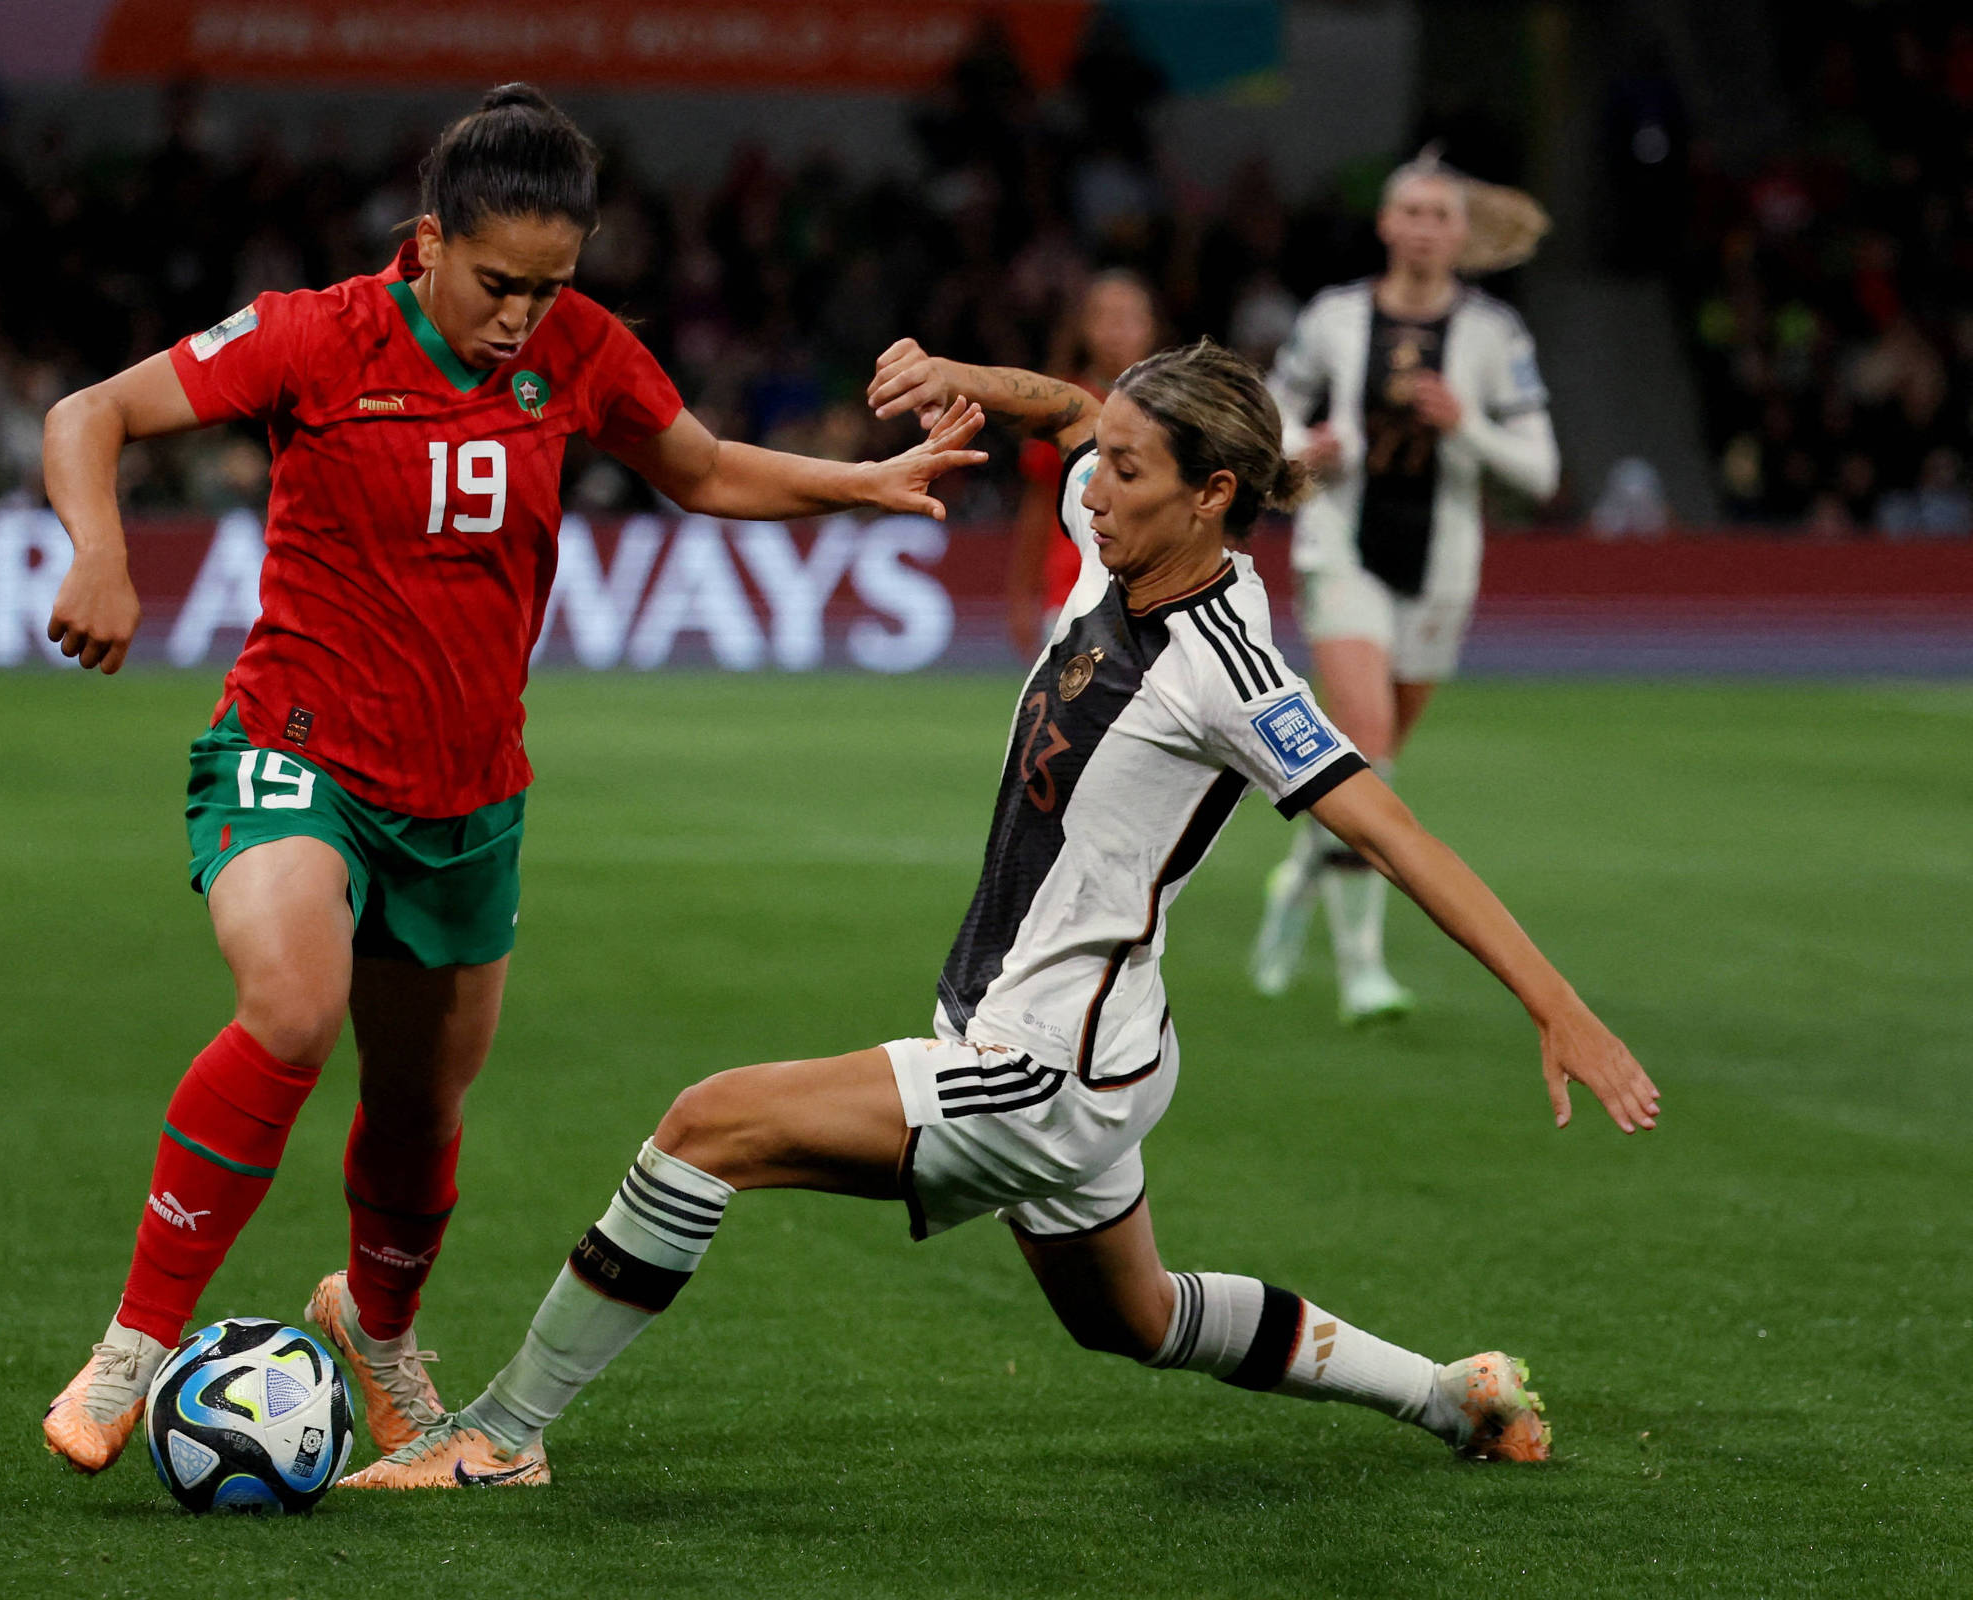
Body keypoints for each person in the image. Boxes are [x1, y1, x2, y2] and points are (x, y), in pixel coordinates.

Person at [341, 338, 1659, 1490]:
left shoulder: (1231, 671)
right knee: (1130, 1320)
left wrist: (1560, 1008)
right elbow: (1076, 406)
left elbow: (1396, 832)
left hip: (1043, 1070)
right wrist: (962, 381)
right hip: (1094, 1036)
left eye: (1131, 471)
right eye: (1107, 461)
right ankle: (1449, 1393)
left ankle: (501, 1436)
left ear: (1213, 497)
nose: (1097, 483)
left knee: (706, 1128)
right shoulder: (1127, 535)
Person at [36, 84, 988, 1475]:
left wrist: (859, 484)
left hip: (468, 798)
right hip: (294, 750)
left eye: (551, 288)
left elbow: (703, 468)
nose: (521, 317)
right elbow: (89, 413)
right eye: (498, 283)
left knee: (421, 1110)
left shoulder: (580, 351)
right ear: (427, 242)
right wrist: (98, 554)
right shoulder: (317, 333)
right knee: (294, 1010)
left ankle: (375, 1327)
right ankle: (131, 1351)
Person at [1251, 151, 1560, 1023]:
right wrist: (1307, 452)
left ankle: (1302, 874)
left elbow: (1540, 470)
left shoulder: (1496, 336)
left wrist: (1467, 429)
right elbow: (1267, 419)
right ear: (1386, 225)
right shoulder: (1336, 319)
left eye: (1441, 215)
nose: (1425, 229)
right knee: (1369, 745)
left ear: (1463, 234)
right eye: (1411, 213)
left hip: (1442, 568)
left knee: (1371, 771)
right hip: (1340, 550)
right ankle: (1362, 972)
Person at [1005, 271, 1162, 657]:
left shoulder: (1177, 409)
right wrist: (1022, 596)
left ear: (1151, 328)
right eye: (1104, 317)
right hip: (1073, 595)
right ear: (1084, 328)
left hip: (1160, 598)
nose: (1116, 331)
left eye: (1128, 318)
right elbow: (1038, 510)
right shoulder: (1061, 407)